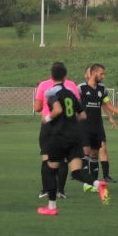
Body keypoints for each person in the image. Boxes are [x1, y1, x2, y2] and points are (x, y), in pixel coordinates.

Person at [37, 61, 108, 217]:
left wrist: (47, 118)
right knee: (76, 172)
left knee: (50, 168)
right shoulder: (70, 92)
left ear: (52, 75)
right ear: (64, 77)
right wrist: (69, 120)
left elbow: (57, 109)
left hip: (59, 135)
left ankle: (51, 207)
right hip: (75, 135)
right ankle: (98, 184)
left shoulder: (50, 92)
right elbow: (82, 115)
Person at [80, 63, 118, 184]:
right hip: (84, 125)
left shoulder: (102, 89)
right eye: (101, 73)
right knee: (85, 151)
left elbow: (108, 105)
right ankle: (85, 179)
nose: (103, 76)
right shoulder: (80, 88)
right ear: (93, 73)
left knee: (95, 153)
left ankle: (94, 180)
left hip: (97, 126)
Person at [34, 67, 80, 200]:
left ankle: (46, 190)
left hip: (49, 125)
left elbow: (37, 108)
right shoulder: (71, 86)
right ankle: (61, 191)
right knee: (64, 158)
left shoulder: (44, 85)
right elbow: (77, 107)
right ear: (65, 75)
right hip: (66, 127)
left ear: (51, 74)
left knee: (46, 157)